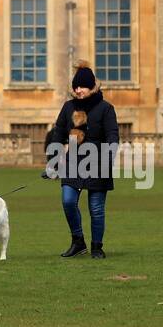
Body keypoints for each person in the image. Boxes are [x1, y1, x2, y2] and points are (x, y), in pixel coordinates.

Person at [48, 62, 119, 260]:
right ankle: (78, 241)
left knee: (96, 209)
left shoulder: (106, 108)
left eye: (82, 86)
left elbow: (113, 136)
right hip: (72, 163)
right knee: (68, 201)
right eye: (76, 87)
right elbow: (58, 133)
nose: (78, 90)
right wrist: (53, 162)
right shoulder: (68, 107)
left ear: (92, 86)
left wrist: (108, 159)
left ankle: (97, 247)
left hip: (98, 164)